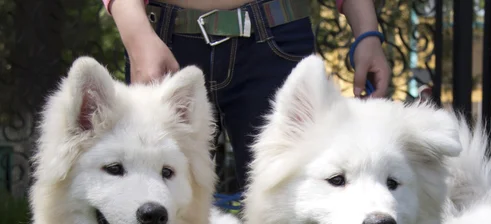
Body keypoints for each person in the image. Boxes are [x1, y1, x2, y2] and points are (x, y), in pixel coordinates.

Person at [103, 0, 391, 204]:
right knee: (162, 200)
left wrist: (367, 34)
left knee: (291, 202)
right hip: (163, 43)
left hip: (276, 42)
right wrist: (137, 35)